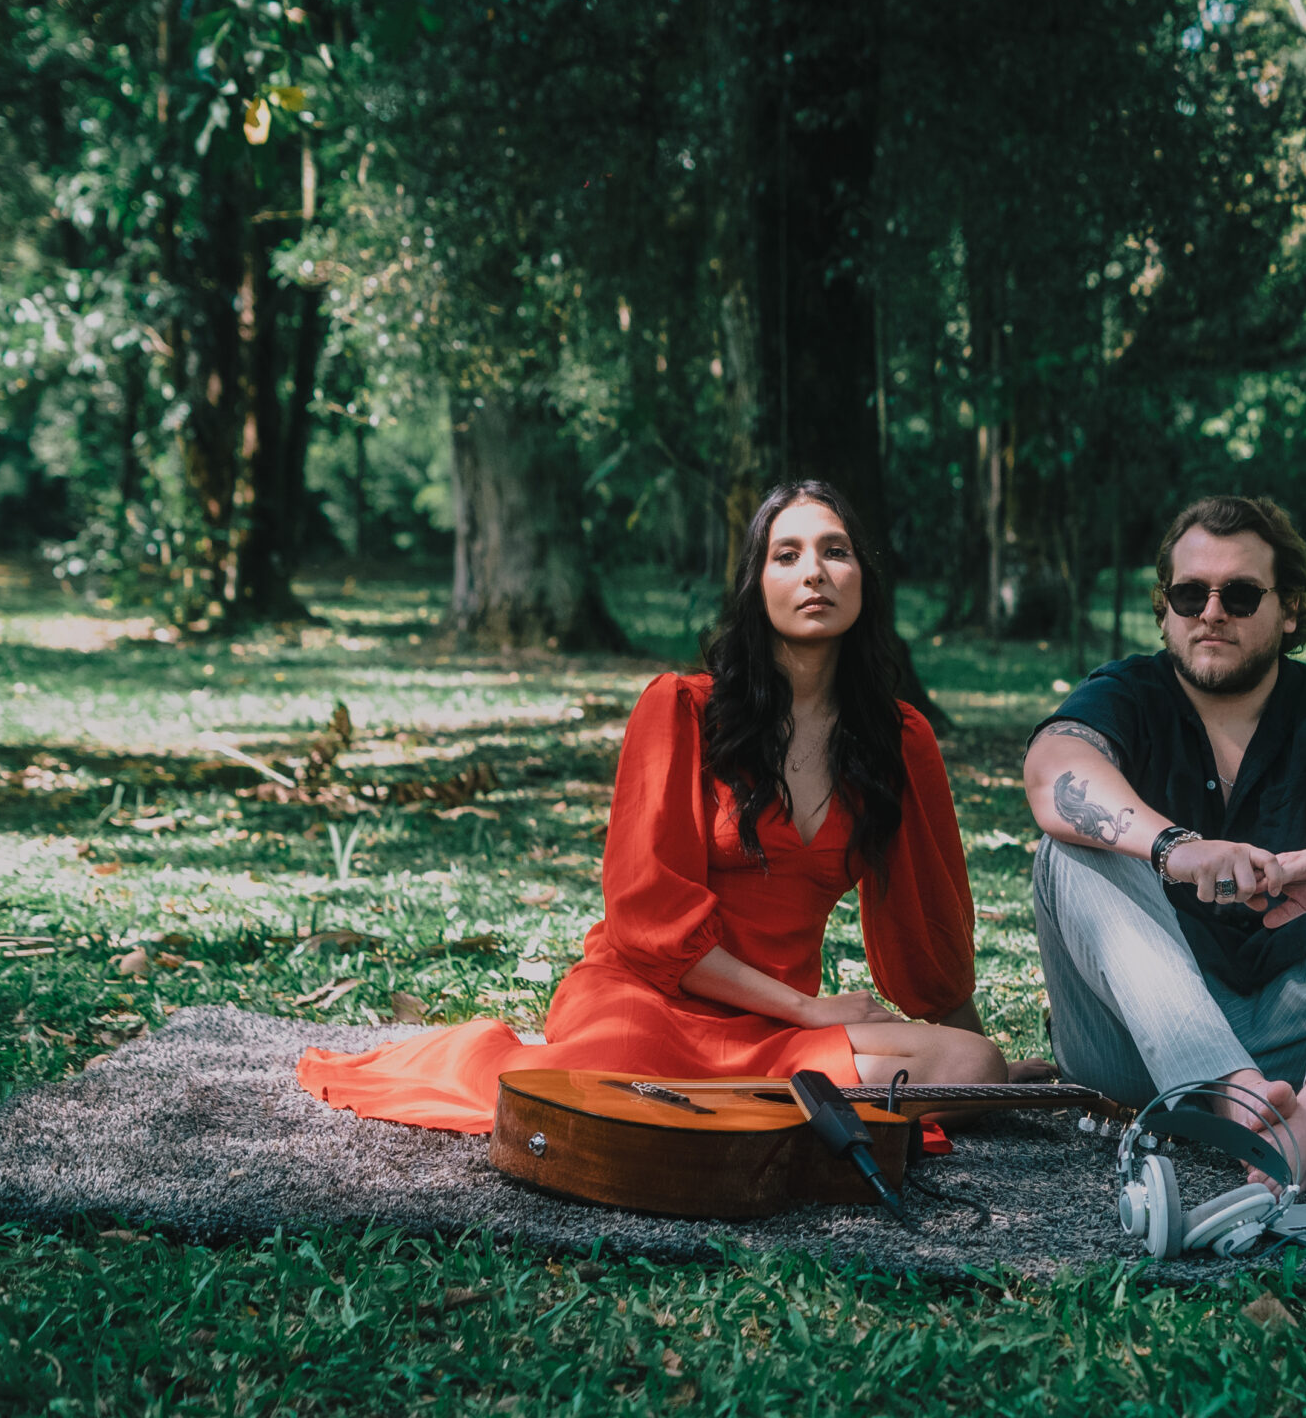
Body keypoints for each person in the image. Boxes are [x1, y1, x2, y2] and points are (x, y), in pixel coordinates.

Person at [298, 481, 1006, 1133]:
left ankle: (748, 1106)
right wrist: (808, 1008)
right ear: (756, 585)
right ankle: (744, 1106)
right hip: (647, 1001)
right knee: (608, 1094)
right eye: (787, 555)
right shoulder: (682, 709)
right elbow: (648, 923)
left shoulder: (898, 740)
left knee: (973, 1066)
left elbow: (925, 928)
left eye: (835, 552)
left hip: (778, 1036)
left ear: (864, 579)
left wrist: (975, 1067)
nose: (814, 572)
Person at [1023, 495, 1306, 1186]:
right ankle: (1233, 1096)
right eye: (1190, 594)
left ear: (1290, 610)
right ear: (1165, 609)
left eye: (1241, 595)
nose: (1212, 613)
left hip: (1300, 1042)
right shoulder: (1128, 692)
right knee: (1071, 848)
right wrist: (1174, 847)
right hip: (1134, 1047)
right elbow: (1053, 773)